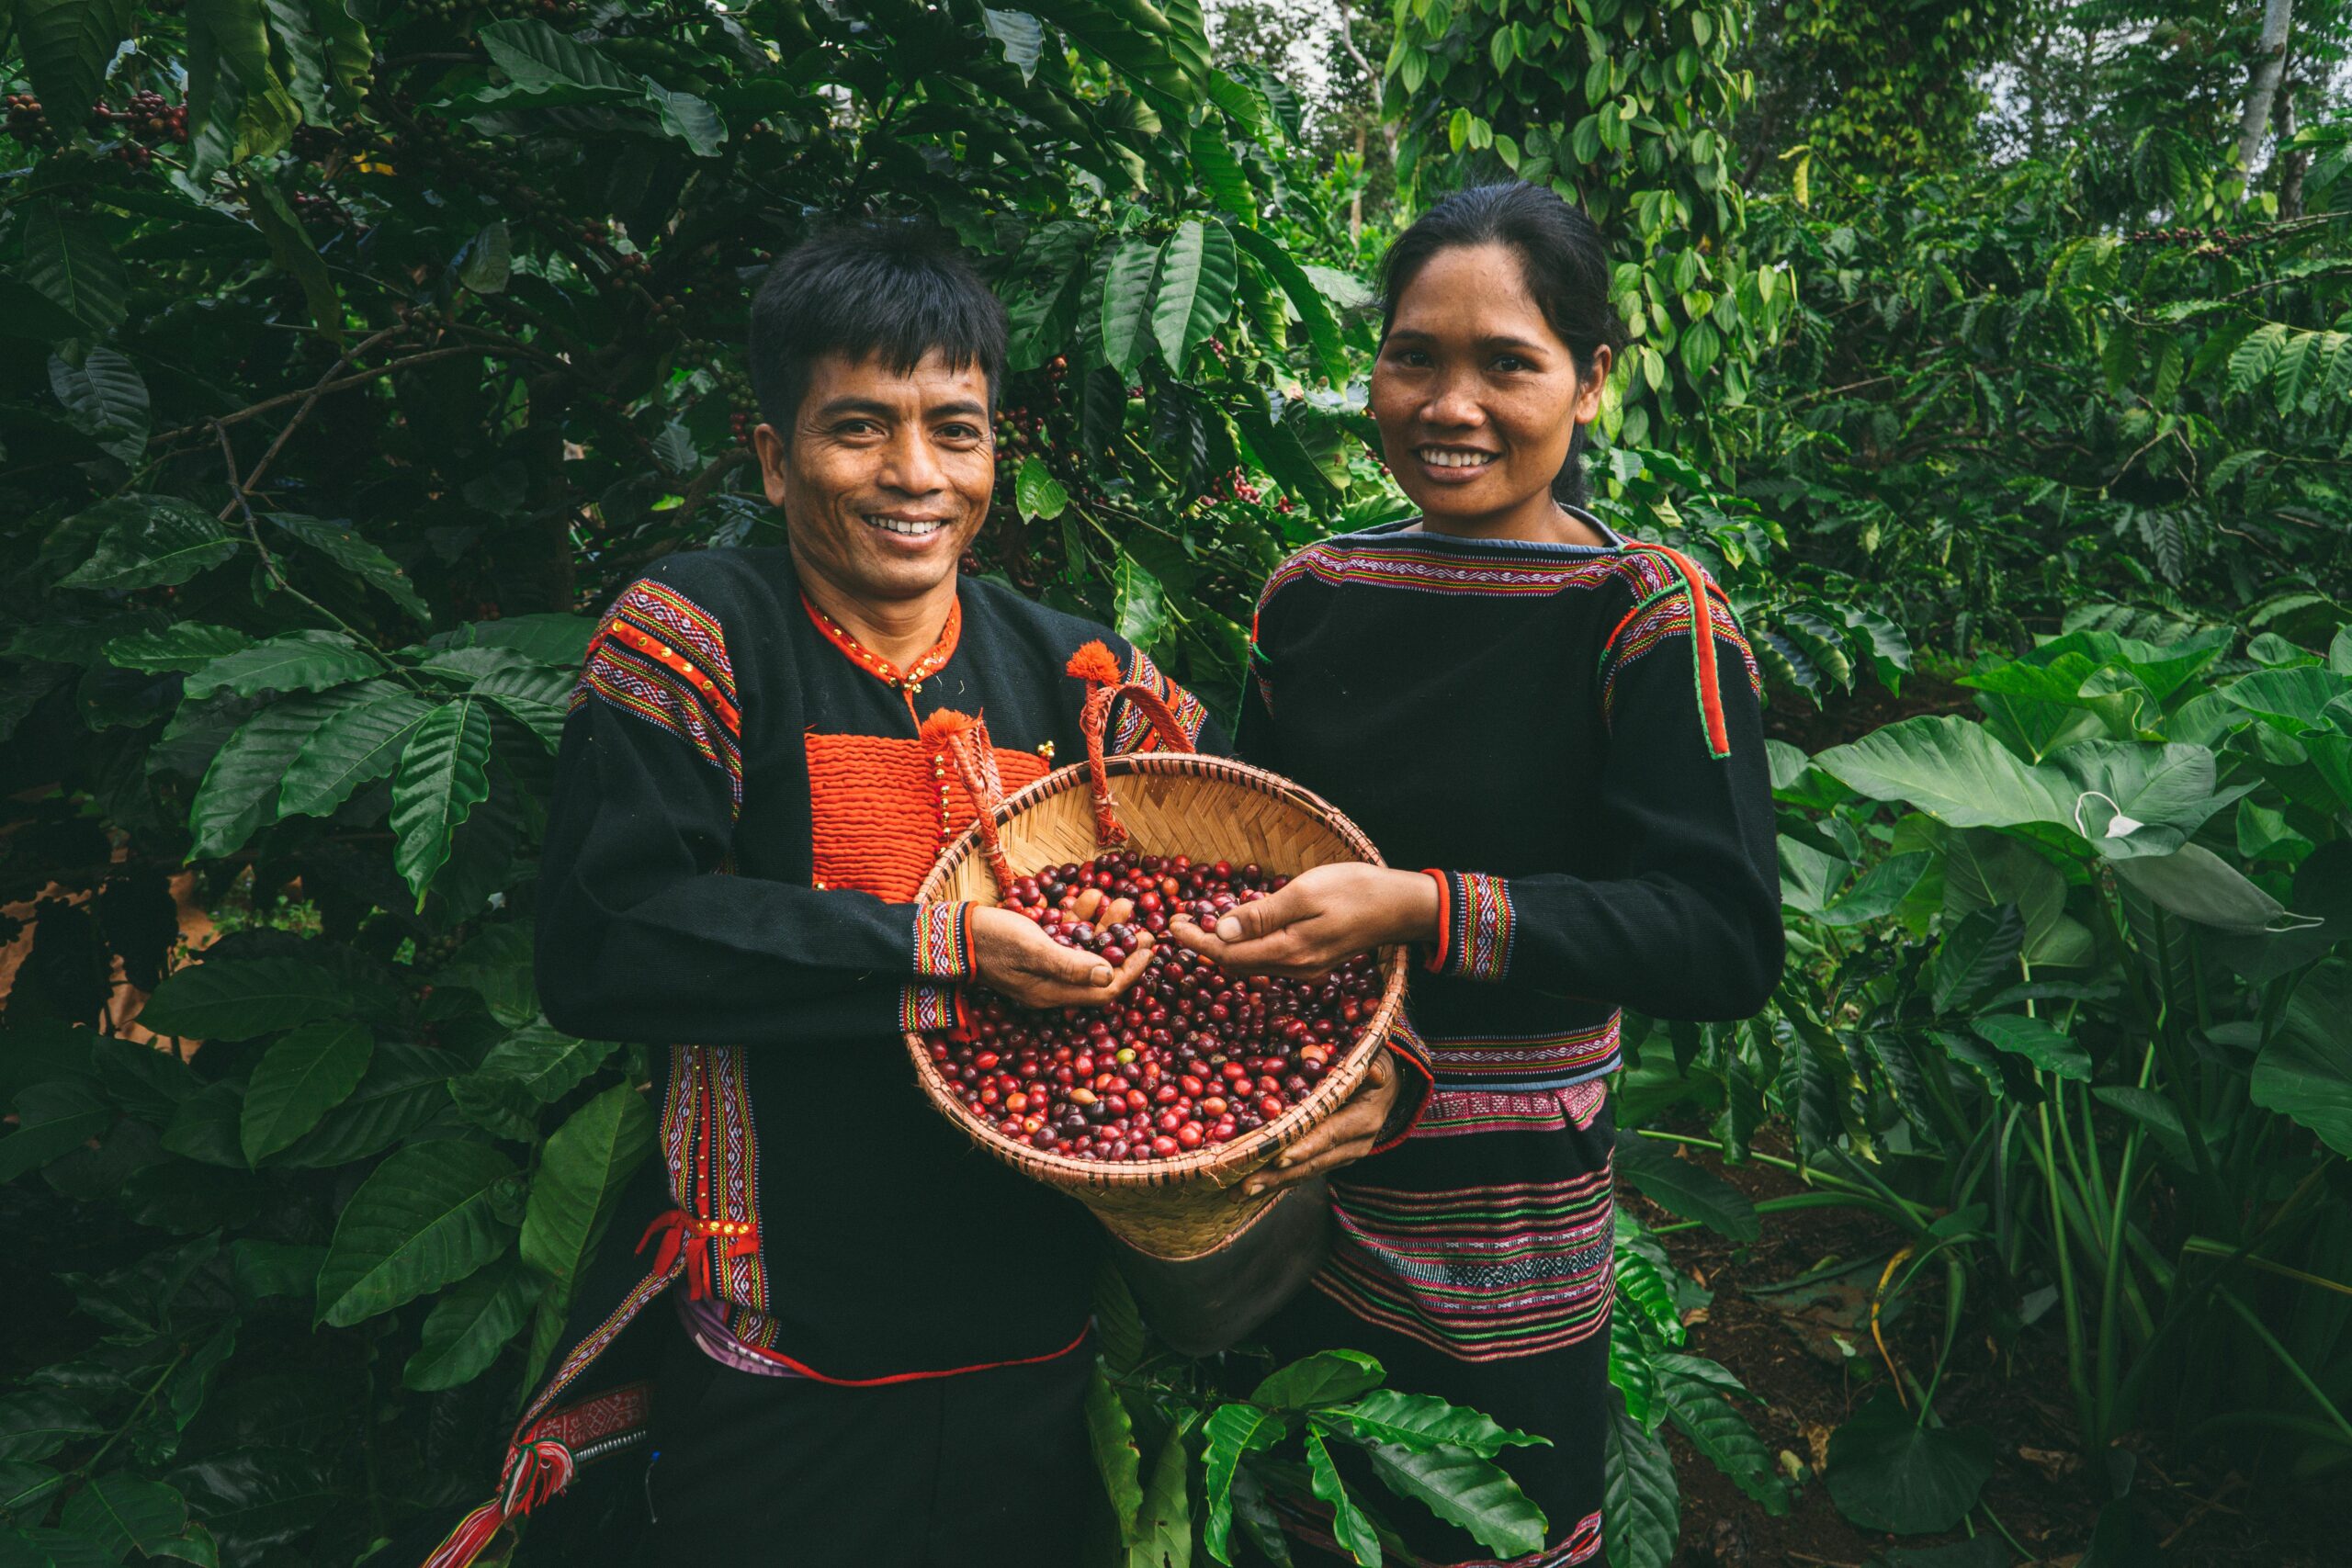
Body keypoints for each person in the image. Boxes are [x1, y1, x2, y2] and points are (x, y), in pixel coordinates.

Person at [422, 221, 1222, 1568]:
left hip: (1037, 1342)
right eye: (860, 429)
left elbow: (1210, 919)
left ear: (994, 451)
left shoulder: (1088, 678)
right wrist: (940, 946)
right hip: (785, 1350)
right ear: (773, 453)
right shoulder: (697, 635)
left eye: (954, 432)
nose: (914, 475)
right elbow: (612, 938)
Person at [1171, 183, 1783, 1568]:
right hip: (1293, 1165)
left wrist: (1425, 909)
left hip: (1499, 1218)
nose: (1451, 404)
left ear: (1591, 382)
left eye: (1507, 362)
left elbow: (1722, 936)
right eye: (1413, 356)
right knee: (1283, 1511)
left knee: (1484, 1522)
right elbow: (1239, 852)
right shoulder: (1313, 591)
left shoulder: (1647, 616)